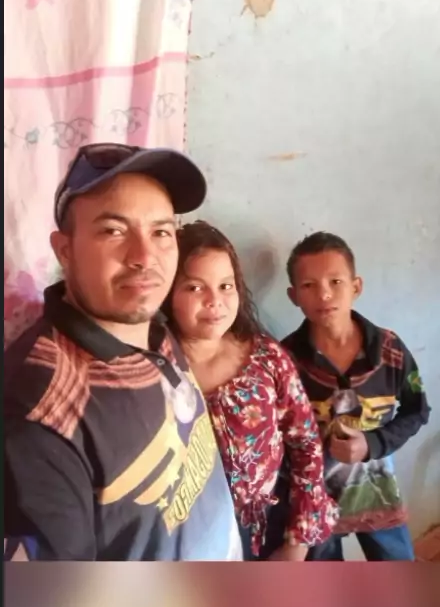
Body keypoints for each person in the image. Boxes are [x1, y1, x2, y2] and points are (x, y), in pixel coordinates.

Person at [4, 143, 243, 561]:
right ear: (64, 250)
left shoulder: (156, 328)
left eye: (161, 232)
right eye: (113, 231)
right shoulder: (38, 410)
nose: (145, 258)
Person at [164, 220, 338, 561]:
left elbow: (306, 444)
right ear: (168, 292)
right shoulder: (155, 373)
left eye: (225, 286)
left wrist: (298, 542)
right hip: (196, 542)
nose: (215, 301)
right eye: (195, 287)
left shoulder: (265, 358)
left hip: (275, 526)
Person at [282, 231, 431, 561]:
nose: (324, 294)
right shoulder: (286, 361)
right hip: (315, 500)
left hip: (377, 494)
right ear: (294, 296)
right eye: (309, 285)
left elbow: (417, 411)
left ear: (356, 287)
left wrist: (373, 444)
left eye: (335, 281)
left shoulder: (391, 351)